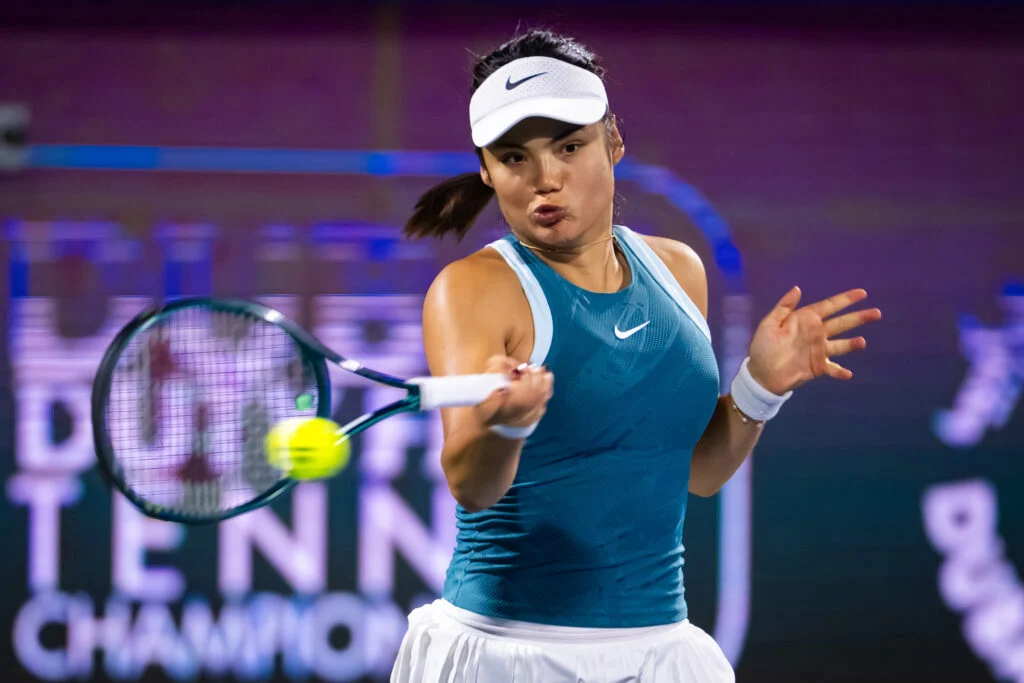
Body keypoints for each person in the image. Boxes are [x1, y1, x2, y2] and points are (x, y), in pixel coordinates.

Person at [391, 29, 882, 683]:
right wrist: (507, 424)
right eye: (514, 157)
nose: (545, 179)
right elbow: (472, 485)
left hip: (661, 649)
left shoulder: (679, 268)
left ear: (613, 140)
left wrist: (761, 385)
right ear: (486, 169)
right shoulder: (473, 289)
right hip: (510, 651)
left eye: (569, 146)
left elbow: (696, 471)